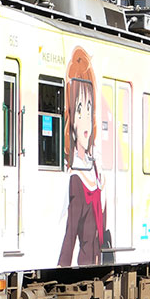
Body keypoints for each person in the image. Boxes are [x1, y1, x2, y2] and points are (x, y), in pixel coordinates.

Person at [58, 46, 109, 266]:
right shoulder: (75, 180)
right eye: (79, 108)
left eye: (89, 107)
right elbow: (69, 239)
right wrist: (62, 265)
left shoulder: (96, 167)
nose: (85, 117)